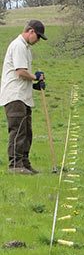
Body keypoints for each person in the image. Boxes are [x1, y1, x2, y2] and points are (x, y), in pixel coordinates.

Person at [0, 20, 47, 174]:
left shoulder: (25, 48)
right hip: (15, 96)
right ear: (31, 31)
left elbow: (21, 76)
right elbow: (20, 72)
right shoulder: (19, 45)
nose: (38, 40)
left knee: (27, 132)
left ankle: (24, 164)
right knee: (18, 131)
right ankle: (15, 166)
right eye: (38, 36)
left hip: (23, 95)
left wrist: (34, 84)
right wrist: (35, 77)